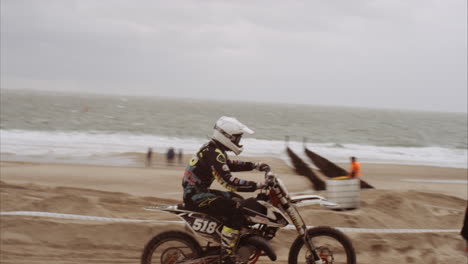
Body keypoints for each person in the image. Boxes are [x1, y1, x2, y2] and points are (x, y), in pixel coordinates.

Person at [181, 116, 269, 263]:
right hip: (196, 196)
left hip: (198, 192)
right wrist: (258, 185)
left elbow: (229, 164)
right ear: (227, 136)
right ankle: (226, 254)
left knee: (238, 200)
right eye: (237, 138)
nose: (238, 141)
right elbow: (229, 183)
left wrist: (255, 166)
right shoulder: (214, 153)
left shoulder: (214, 149)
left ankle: (230, 238)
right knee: (235, 208)